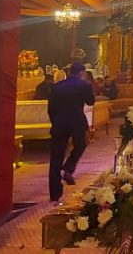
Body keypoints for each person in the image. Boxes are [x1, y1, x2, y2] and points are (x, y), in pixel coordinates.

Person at [47, 63, 94, 202]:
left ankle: (54, 193)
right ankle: (68, 167)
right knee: (81, 145)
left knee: (56, 157)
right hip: (76, 123)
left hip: (59, 124)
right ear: (82, 73)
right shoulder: (84, 85)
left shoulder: (56, 87)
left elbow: (50, 109)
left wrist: (55, 122)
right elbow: (90, 102)